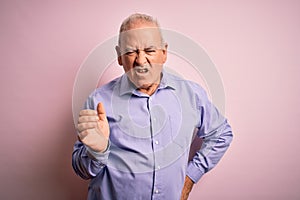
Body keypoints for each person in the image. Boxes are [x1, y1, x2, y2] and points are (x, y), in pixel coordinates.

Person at [72, 13, 233, 200]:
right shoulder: (98, 101)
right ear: (119, 57)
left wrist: (190, 177)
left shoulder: (191, 95)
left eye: (149, 50)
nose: (140, 61)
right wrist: (96, 152)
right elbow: (81, 169)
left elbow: (222, 134)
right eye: (131, 52)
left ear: (164, 53)